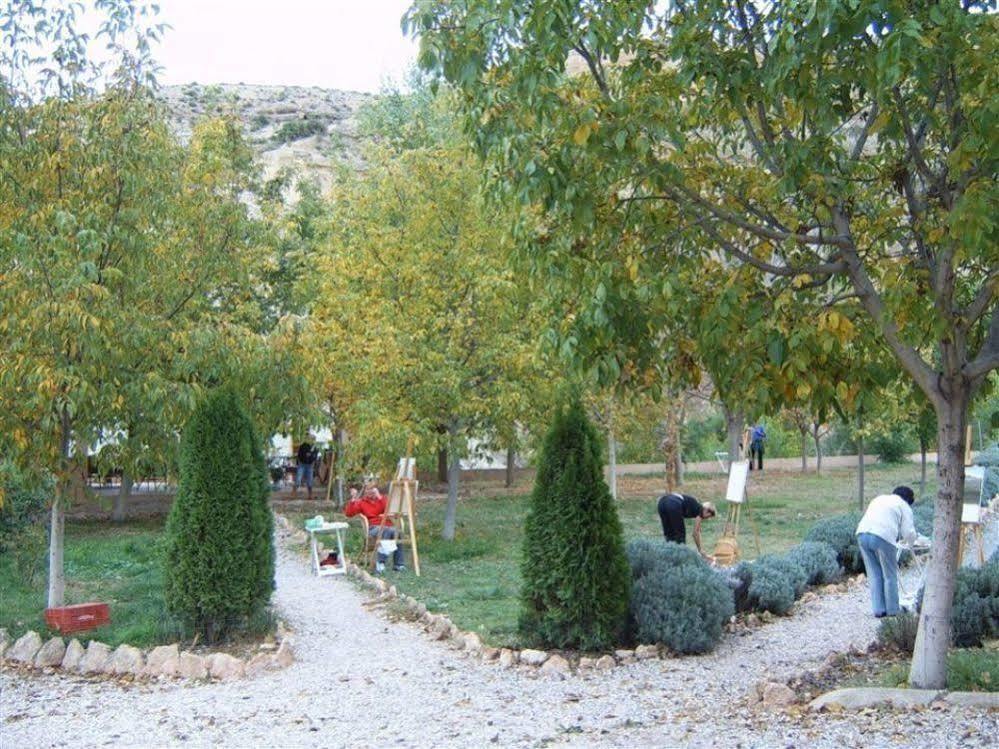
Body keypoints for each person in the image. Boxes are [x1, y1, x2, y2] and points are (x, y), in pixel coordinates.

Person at [855, 485, 927, 618]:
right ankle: (893, 610)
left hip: (862, 534)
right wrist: (912, 543)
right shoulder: (904, 505)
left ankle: (879, 610)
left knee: (874, 573)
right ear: (908, 500)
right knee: (890, 574)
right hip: (882, 536)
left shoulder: (879, 498)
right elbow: (908, 532)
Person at [345, 483, 405, 573]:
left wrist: (379, 497)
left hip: (386, 526)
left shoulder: (382, 499)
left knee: (397, 532)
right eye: (368, 490)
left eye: (373, 490)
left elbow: (390, 510)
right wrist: (353, 499)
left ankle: (398, 564)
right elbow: (349, 514)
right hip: (373, 528)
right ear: (365, 492)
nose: (370, 493)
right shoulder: (362, 502)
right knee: (386, 531)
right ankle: (380, 563)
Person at [657, 492, 717, 559]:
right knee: (680, 536)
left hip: (661, 502)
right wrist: (700, 550)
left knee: (669, 534)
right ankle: (680, 560)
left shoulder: (695, 505)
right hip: (674, 503)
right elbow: (695, 533)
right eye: (709, 516)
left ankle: (668, 557)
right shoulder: (700, 510)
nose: (707, 518)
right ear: (707, 510)